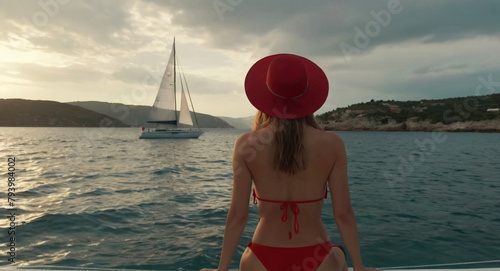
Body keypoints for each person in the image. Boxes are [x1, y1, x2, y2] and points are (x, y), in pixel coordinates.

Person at [201, 54, 379, 271]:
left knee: (246, 258)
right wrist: (359, 267)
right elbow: (343, 214)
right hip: (317, 259)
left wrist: (222, 269)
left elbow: (238, 215)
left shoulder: (246, 144)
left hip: (260, 261)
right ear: (309, 97)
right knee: (337, 253)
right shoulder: (333, 144)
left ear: (265, 96)